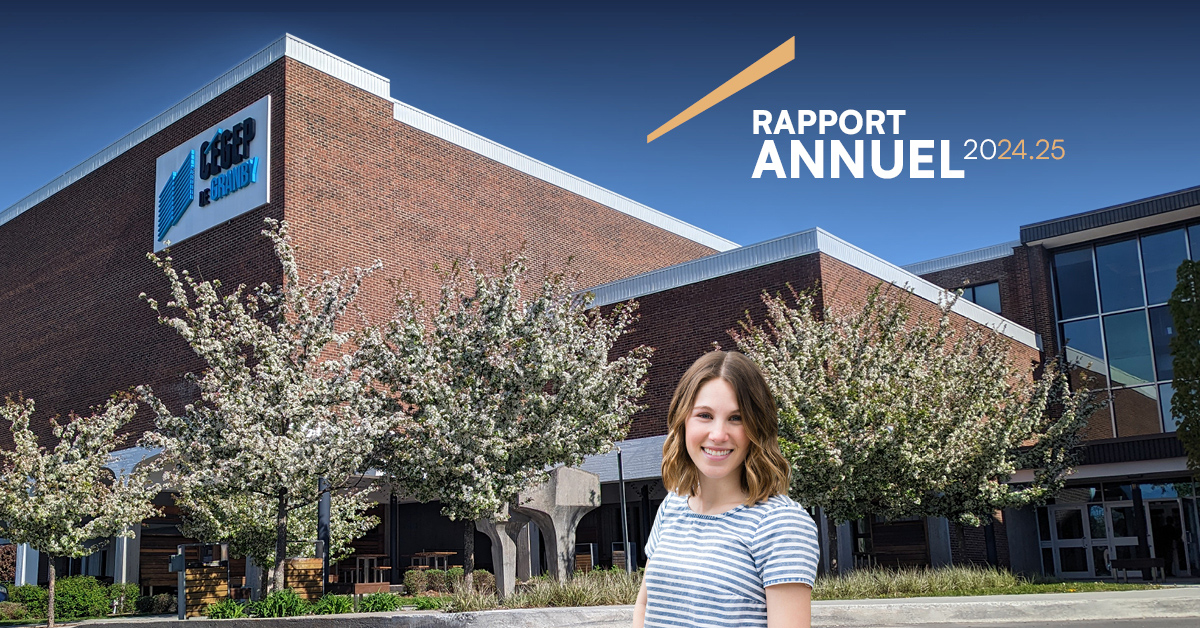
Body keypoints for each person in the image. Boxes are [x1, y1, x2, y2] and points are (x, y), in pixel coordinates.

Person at [633, 350, 820, 628]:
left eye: (736, 418)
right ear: (683, 422)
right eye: (705, 415)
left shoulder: (781, 524)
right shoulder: (672, 506)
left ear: (758, 427)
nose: (718, 435)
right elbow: (646, 605)